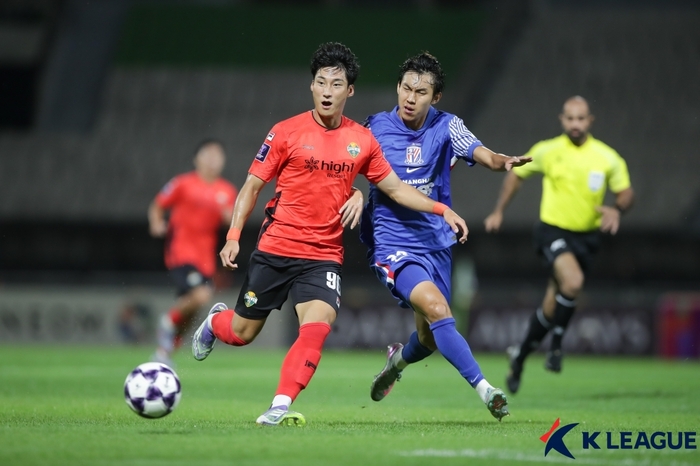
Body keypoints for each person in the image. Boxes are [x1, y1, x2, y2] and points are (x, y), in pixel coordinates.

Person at [190, 42, 470, 427]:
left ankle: (279, 405)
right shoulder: (285, 132)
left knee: (317, 327)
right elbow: (251, 186)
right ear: (311, 86)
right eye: (320, 82)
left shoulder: (362, 140)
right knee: (242, 333)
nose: (326, 91)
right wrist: (234, 235)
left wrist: (441, 209)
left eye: (336, 84)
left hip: (323, 255)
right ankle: (214, 323)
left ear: (349, 91)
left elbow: (395, 188)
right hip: (277, 247)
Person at [361, 52, 531, 421]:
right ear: (398, 87)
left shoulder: (448, 126)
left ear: (435, 97)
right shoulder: (374, 127)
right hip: (394, 243)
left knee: (429, 338)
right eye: (406, 88)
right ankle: (487, 390)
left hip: (436, 244)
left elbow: (480, 151)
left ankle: (396, 362)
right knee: (439, 310)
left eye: (421, 92)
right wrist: (353, 195)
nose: (410, 98)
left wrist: (500, 161)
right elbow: (346, 164)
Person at [483, 96, 634, 394]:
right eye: (570, 118)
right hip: (552, 231)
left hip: (587, 239)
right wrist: (499, 210)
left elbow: (626, 192)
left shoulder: (607, 158)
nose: (575, 124)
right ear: (562, 120)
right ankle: (556, 347)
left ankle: (519, 356)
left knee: (552, 306)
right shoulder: (547, 150)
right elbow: (516, 175)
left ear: (590, 120)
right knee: (573, 281)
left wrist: (618, 209)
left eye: (581, 118)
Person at [148, 139, 238, 366]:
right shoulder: (183, 183)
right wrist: (156, 222)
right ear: (196, 159)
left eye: (218, 155)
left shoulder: (226, 190)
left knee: (190, 310)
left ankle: (164, 353)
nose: (213, 160)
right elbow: (158, 204)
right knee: (201, 295)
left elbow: (232, 220)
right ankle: (167, 321)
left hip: (206, 258)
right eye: (208, 154)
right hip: (181, 251)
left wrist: (230, 217)